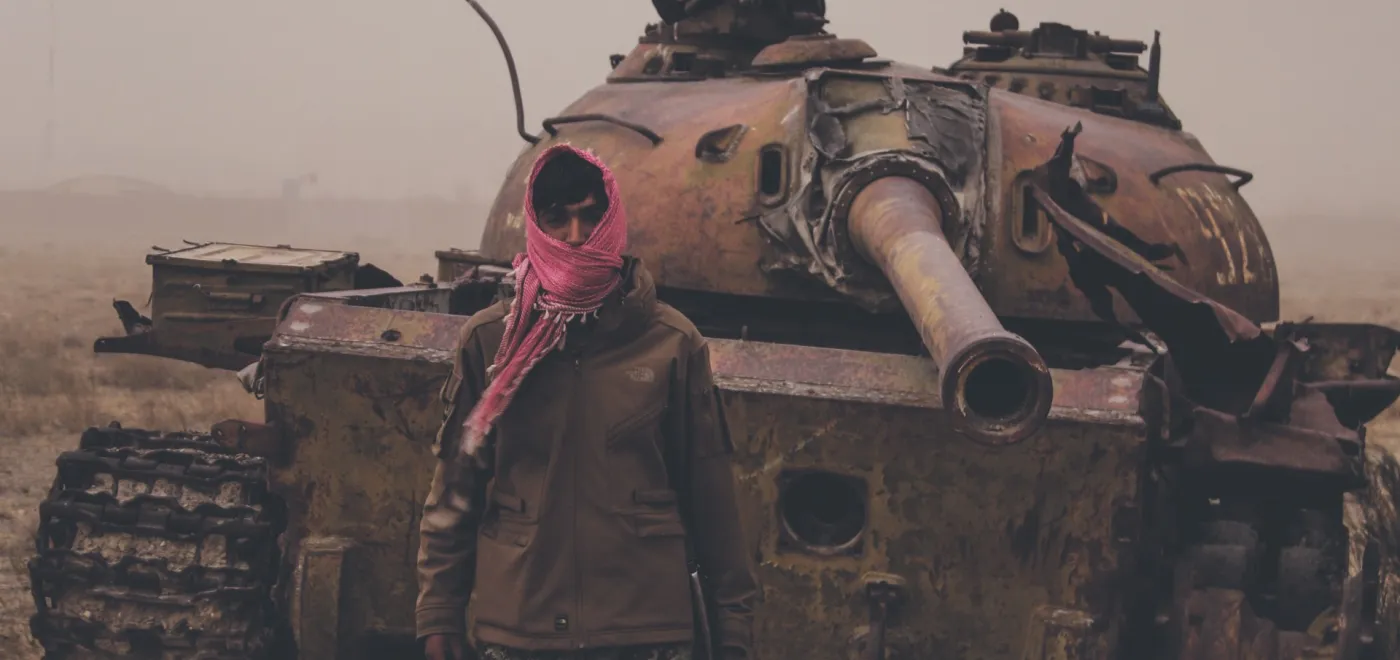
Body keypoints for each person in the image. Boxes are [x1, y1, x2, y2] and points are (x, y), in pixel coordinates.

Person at [416, 143, 759, 660]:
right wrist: (439, 614)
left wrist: (732, 625)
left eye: (591, 218)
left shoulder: (669, 342)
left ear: (614, 224)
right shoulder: (491, 343)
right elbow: (456, 490)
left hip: (643, 631)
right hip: (521, 626)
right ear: (535, 225)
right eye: (557, 219)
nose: (576, 237)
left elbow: (710, 496)